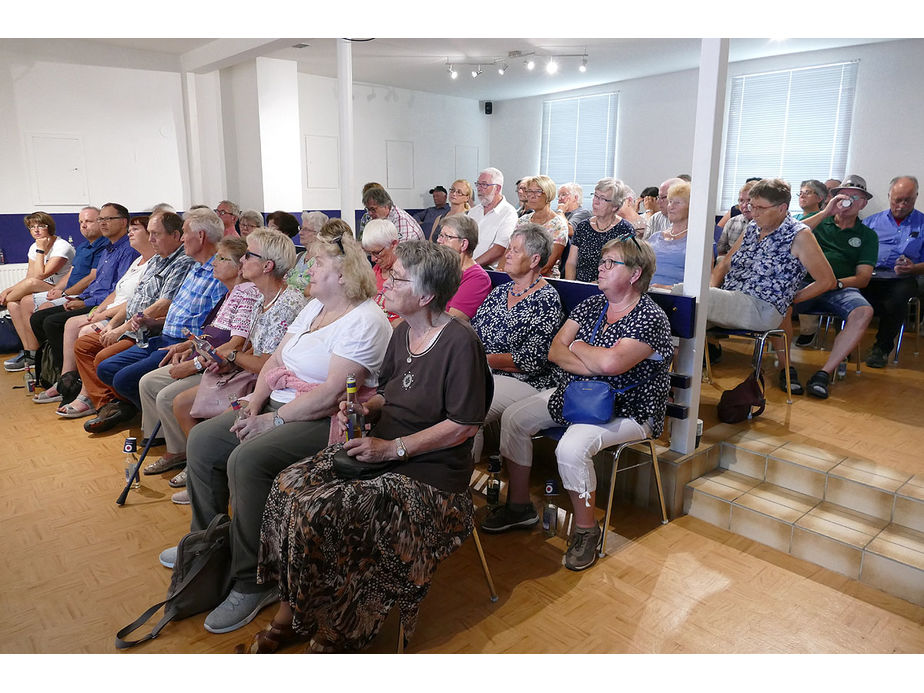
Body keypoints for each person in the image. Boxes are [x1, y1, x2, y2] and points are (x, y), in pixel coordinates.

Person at [235, 241, 491, 654]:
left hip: (430, 474)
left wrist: (393, 450)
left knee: (319, 509)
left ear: (426, 295)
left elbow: (462, 426)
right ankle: (298, 607)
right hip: (382, 450)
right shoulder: (404, 331)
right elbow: (388, 394)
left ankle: (335, 630)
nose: (385, 281)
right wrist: (364, 406)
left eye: (398, 277)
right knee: (287, 485)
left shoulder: (460, 343)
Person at [158, 232, 392, 636]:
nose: (308, 271)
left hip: (325, 420)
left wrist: (274, 421)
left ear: (343, 274)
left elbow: (332, 393)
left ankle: (252, 581)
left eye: (316, 265)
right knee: (204, 441)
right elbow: (275, 361)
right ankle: (210, 546)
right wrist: (254, 403)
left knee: (245, 459)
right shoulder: (314, 308)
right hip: (278, 404)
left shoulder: (366, 320)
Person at [483, 237, 672, 572]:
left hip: (627, 408)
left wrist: (581, 345)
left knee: (570, 448)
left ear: (634, 273)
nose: (600, 267)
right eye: (602, 261)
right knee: (514, 418)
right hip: (575, 395)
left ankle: (586, 530)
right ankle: (519, 507)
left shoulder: (650, 317)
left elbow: (613, 365)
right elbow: (556, 349)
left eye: (611, 263)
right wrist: (592, 359)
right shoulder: (591, 305)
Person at [139, 232, 306, 498]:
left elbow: (268, 364)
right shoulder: (263, 298)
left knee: (191, 416)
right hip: (254, 375)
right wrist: (224, 359)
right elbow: (251, 345)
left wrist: (228, 358)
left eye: (249, 255)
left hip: (271, 385)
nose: (243, 259)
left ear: (267, 265)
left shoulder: (285, 304)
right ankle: (204, 474)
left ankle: (207, 477)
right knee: (181, 404)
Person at [86, 208, 228, 432]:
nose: (182, 238)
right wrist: (153, 322)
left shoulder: (215, 273)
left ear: (200, 236)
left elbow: (214, 327)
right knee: (106, 367)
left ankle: (159, 426)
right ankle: (152, 418)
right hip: (160, 334)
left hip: (181, 345)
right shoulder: (195, 268)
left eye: (184, 233)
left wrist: (187, 344)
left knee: (124, 377)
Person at [53, 214, 191, 415]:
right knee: (82, 343)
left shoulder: (181, 262)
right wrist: (113, 323)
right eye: (150, 234)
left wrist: (119, 328)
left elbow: (164, 304)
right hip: (130, 324)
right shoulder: (155, 260)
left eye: (155, 234)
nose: (151, 239)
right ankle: (100, 400)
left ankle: (115, 405)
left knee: (102, 359)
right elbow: (131, 299)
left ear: (175, 235)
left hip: (148, 331)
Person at [707, 178, 835, 394]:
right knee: (679, 306)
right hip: (733, 300)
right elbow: (725, 263)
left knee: (684, 297)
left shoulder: (799, 235)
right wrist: (712, 292)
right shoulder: (752, 229)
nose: (753, 213)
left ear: (782, 208)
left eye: (760, 208)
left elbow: (827, 281)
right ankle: (673, 384)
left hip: (762, 308)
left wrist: (790, 299)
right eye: (751, 206)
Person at [470, 224, 564, 463]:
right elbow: (474, 332)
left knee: (469, 407)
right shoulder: (500, 293)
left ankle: (459, 486)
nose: (507, 254)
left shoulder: (545, 299)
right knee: (449, 396)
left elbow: (533, 361)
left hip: (526, 380)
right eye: (508, 249)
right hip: (487, 371)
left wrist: (482, 360)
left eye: (514, 250)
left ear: (534, 260)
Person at [25, 203, 138, 377]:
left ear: (124, 222)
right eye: (101, 219)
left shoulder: (128, 250)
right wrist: (76, 297)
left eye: (108, 219)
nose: (103, 223)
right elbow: (97, 282)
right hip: (90, 297)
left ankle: (68, 376)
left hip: (104, 303)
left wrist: (84, 302)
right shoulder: (108, 248)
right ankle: (55, 366)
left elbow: (118, 290)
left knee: (51, 322)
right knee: (39, 318)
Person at [789, 185, 877, 398]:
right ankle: (787, 370)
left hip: (839, 288)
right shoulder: (819, 221)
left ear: (863, 203)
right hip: (805, 283)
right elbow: (788, 233)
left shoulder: (867, 235)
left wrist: (833, 284)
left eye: (854, 197)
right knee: (780, 301)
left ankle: (823, 373)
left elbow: (863, 278)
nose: (846, 200)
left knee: (864, 311)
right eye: (842, 195)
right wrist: (825, 212)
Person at [855, 175, 924, 367]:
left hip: (903, 278)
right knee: (846, 291)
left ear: (916, 197)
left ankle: (881, 348)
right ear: (889, 196)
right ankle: (845, 345)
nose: (901, 205)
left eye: (907, 200)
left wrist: (914, 268)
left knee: (897, 298)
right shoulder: (870, 223)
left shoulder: (922, 224)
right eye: (897, 200)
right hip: (870, 274)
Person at [2, 212, 77, 371]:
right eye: (32, 227)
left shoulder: (62, 246)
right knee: (14, 305)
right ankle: (29, 353)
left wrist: (41, 250)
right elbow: (29, 276)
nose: (36, 230)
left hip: (60, 289)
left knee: (30, 284)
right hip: (40, 286)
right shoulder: (34, 246)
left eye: (40, 226)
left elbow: (40, 275)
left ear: (49, 227)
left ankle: (2, 303)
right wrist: (8, 290)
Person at [564, 178, 636, 283]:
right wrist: (570, 285)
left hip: (611, 288)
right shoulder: (583, 226)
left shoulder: (625, 229)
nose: (595, 201)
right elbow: (571, 262)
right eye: (595, 195)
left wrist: (600, 283)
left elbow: (627, 266)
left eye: (602, 198)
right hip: (581, 285)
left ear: (615, 206)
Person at [435, 214, 492, 320]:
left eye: (446, 236)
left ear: (463, 244)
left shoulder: (478, 279)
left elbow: (451, 321)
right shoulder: (441, 269)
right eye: (440, 235)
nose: (439, 241)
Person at [517, 175, 569, 277]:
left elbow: (546, 266)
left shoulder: (558, 225)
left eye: (537, 192)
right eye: (529, 191)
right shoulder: (522, 220)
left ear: (548, 195)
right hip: (518, 273)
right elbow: (509, 251)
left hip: (543, 278)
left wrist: (520, 275)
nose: (532, 196)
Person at [468, 167, 518, 269]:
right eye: (478, 184)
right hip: (467, 267)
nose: (479, 188)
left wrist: (470, 267)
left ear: (497, 188)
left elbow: (499, 249)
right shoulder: (474, 211)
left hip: (488, 270)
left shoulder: (508, 213)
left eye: (484, 185)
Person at [647, 181, 690, 288]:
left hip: (675, 297)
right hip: (645, 292)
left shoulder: (698, 241)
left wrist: (667, 288)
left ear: (691, 207)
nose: (671, 207)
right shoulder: (655, 237)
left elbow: (704, 282)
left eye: (677, 202)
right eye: (670, 202)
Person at [361, 218, 402, 323]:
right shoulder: (375, 271)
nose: (373, 259)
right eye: (369, 254)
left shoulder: (406, 276)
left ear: (393, 244)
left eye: (377, 253)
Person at [287, 211, 330, 292]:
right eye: (301, 228)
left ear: (318, 233)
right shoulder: (299, 256)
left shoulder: (321, 260)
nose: (300, 233)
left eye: (306, 229)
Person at [716, 181, 757, 260]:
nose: (744, 205)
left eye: (749, 200)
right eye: (741, 201)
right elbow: (720, 251)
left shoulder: (765, 225)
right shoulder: (732, 222)